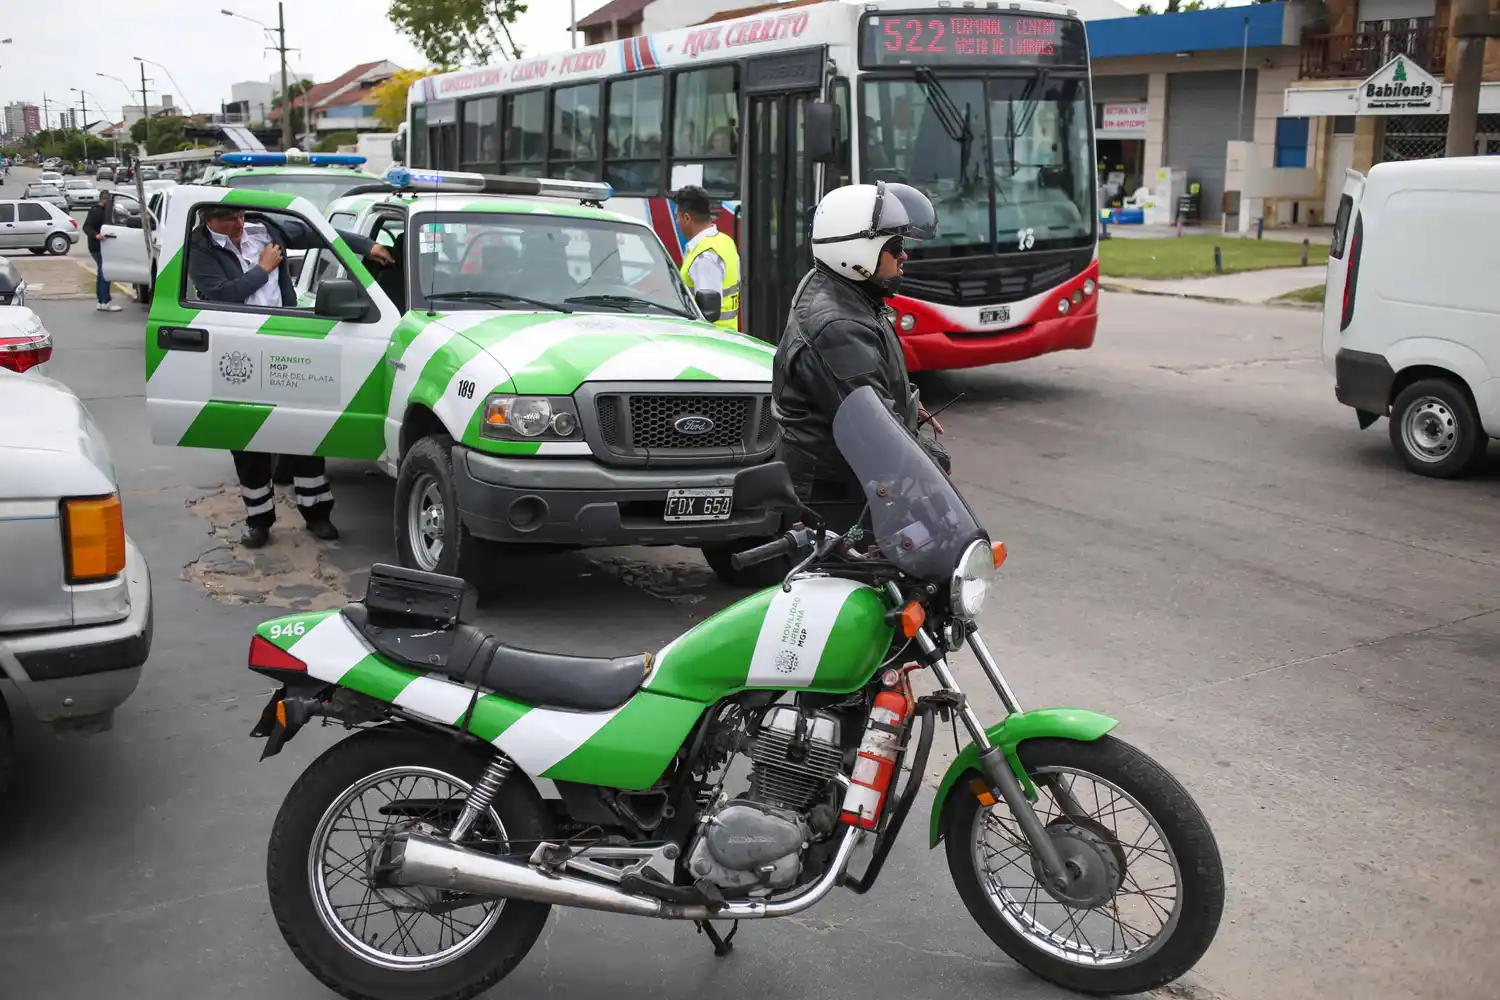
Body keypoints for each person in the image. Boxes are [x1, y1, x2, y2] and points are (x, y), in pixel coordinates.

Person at [188, 204, 393, 549]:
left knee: (303, 429)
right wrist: (263, 268)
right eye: (229, 220)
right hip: (238, 345)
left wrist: (364, 246)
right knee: (246, 438)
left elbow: (320, 233)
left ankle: (317, 513)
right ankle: (259, 519)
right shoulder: (198, 249)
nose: (239, 224)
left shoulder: (266, 229)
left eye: (240, 217)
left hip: (285, 338)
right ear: (209, 220)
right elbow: (224, 294)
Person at [771, 181, 950, 533]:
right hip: (833, 508)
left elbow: (862, 386)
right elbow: (874, 431)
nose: (904, 256)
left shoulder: (845, 291)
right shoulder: (838, 325)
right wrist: (928, 459)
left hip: (845, 489)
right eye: (895, 246)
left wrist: (904, 397)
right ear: (856, 250)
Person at [673, 185, 740, 333]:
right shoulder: (724, 241)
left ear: (687, 218)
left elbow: (707, 315)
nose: (676, 222)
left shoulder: (705, 258)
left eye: (677, 216)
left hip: (711, 340)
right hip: (727, 337)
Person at [81, 190, 122, 313]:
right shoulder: (95, 211)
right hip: (97, 246)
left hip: (104, 246)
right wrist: (96, 235)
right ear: (104, 200)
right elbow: (86, 226)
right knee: (104, 273)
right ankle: (104, 301)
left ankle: (101, 301)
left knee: (102, 273)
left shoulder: (107, 212)